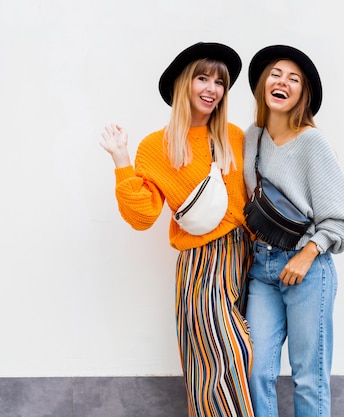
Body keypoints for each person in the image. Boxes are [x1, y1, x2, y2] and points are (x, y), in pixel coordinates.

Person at [99, 42, 255, 417]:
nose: (211, 88)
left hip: (246, 260)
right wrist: (121, 159)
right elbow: (142, 218)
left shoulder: (234, 137)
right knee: (219, 360)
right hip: (201, 265)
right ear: (184, 84)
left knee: (243, 358)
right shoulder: (158, 146)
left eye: (219, 81)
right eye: (202, 78)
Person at [243, 45, 344, 417]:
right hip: (262, 269)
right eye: (276, 74)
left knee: (309, 377)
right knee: (256, 371)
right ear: (262, 84)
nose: (282, 82)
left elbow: (342, 219)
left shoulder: (312, 142)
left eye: (294, 79)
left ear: (302, 95)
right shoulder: (252, 138)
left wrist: (308, 254)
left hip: (307, 268)